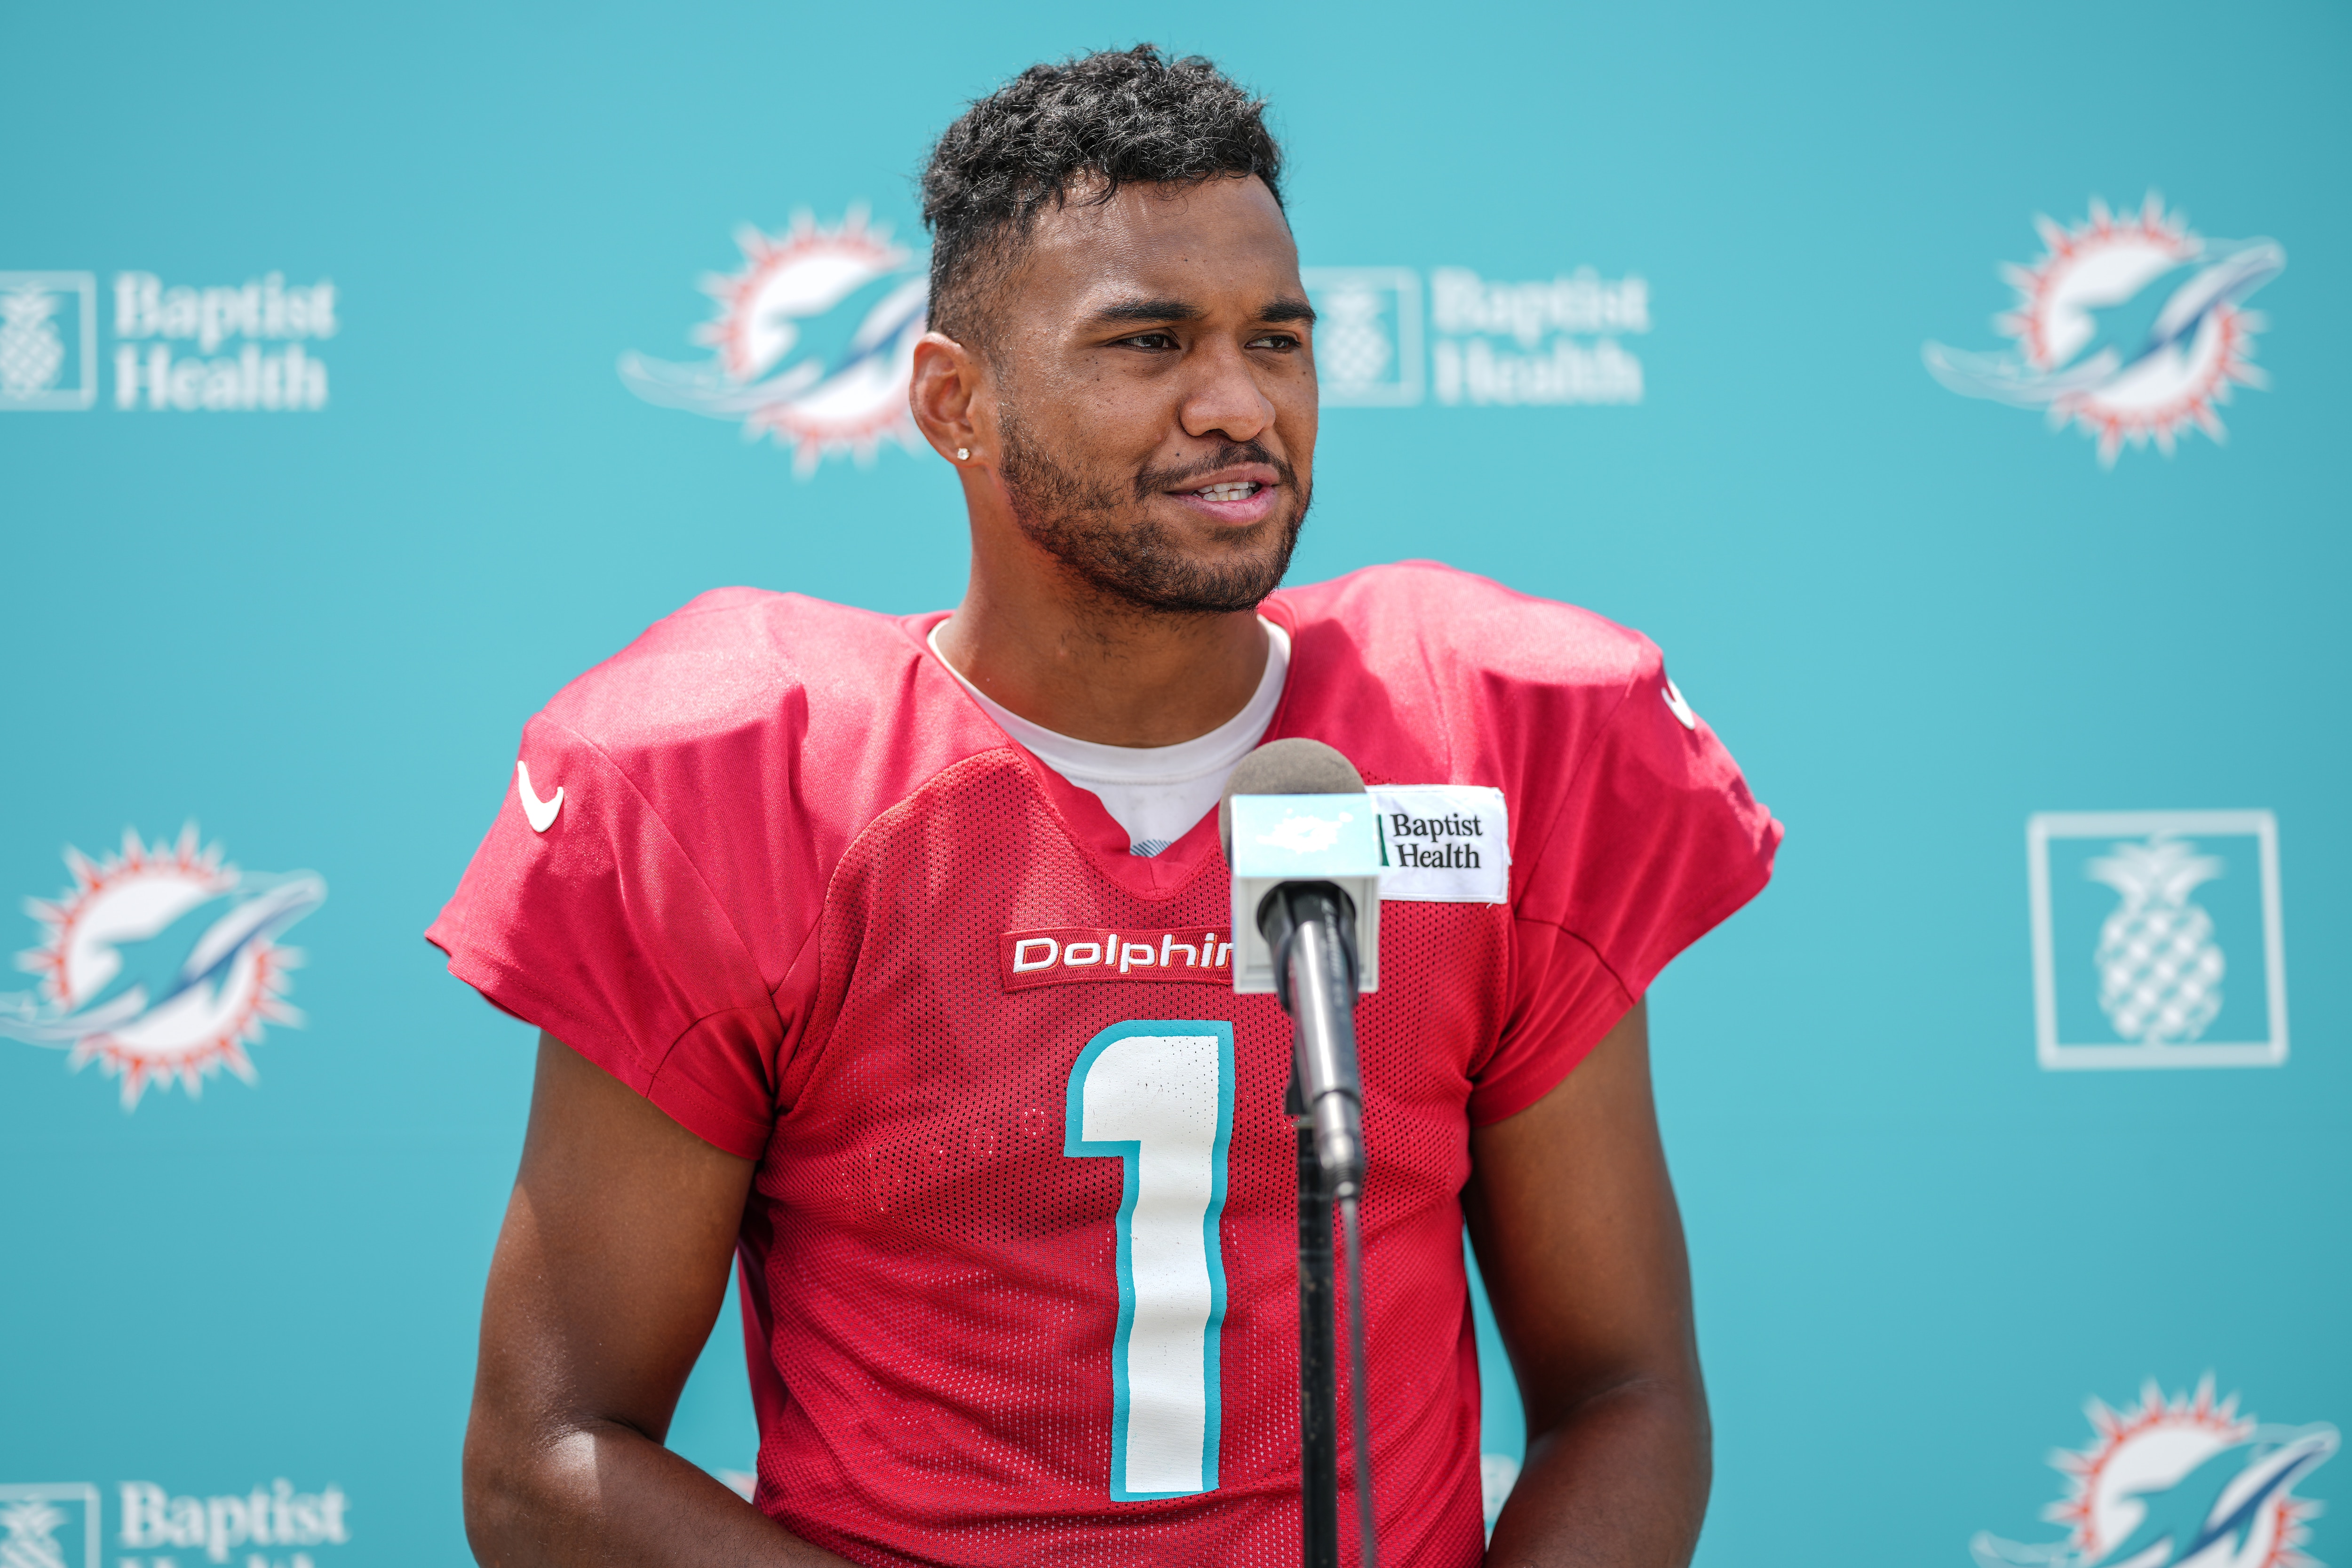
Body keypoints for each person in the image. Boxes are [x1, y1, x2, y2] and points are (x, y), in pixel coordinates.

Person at [435, 44, 1779, 1568]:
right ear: (956, 403)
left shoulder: (1489, 738)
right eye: (1149, 342)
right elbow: (548, 1460)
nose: (1239, 404)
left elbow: (1624, 1393)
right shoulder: (744, 778)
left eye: (1277, 339)